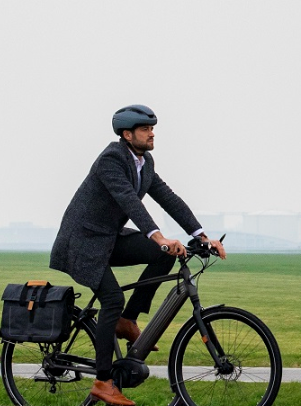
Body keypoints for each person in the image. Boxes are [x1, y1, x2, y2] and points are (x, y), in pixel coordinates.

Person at [49, 104, 225, 406]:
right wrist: (158, 236)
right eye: (146, 129)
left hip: (108, 238)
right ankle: (103, 382)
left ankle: (127, 320)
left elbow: (168, 197)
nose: (152, 133)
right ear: (127, 134)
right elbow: (130, 202)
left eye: (152, 129)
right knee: (112, 298)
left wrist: (201, 236)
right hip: (82, 243)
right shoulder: (111, 160)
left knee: (162, 255)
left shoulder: (145, 162)